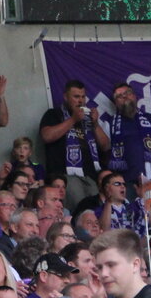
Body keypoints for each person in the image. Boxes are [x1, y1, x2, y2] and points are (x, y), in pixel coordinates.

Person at [41, 81, 108, 209]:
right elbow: (46, 136)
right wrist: (72, 119)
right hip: (66, 177)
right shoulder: (54, 114)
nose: (80, 101)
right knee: (79, 211)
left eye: (83, 97)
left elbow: (105, 146)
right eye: (76, 97)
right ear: (66, 97)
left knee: (96, 211)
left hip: (90, 176)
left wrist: (95, 124)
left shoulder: (88, 119)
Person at [100, 83, 151, 192]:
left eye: (127, 93)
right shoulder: (109, 123)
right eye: (119, 96)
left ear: (135, 96)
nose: (124, 97)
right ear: (115, 103)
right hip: (124, 183)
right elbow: (104, 150)